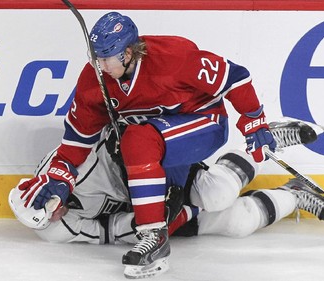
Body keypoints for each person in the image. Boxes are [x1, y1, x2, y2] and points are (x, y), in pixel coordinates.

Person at [18, 10, 277, 277]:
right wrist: (61, 178)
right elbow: (76, 141)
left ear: (128, 53)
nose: (100, 66)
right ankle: (162, 224)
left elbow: (234, 76)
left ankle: (154, 239)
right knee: (200, 196)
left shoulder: (173, 57)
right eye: (96, 57)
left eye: (106, 58)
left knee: (138, 139)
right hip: (157, 150)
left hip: (204, 123)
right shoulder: (93, 81)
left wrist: (254, 117)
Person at [10, 119, 324, 278]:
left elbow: (115, 132)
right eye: (49, 217)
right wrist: (164, 219)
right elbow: (111, 231)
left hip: (149, 171)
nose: (57, 214)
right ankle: (294, 195)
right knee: (236, 223)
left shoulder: (69, 163)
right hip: (149, 213)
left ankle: (262, 145)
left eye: (51, 206)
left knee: (218, 193)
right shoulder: (53, 230)